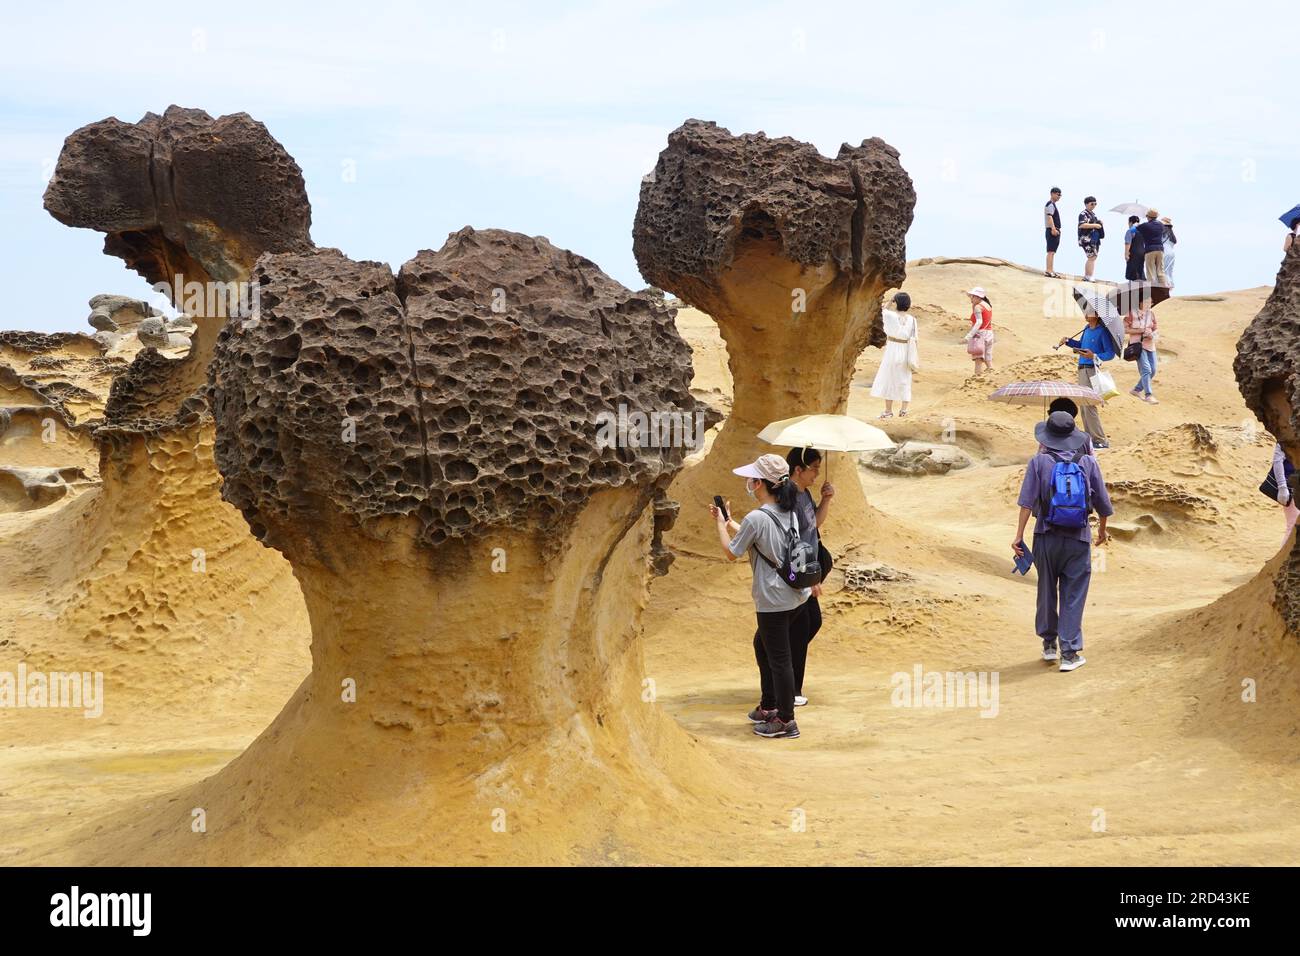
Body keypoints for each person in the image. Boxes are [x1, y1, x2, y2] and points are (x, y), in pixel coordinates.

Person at [711, 453, 809, 739]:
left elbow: (732, 552)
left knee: (779, 659)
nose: (748, 482)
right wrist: (731, 523)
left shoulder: (757, 517)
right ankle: (769, 706)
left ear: (760, 484)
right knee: (763, 645)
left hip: (773, 600)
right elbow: (761, 538)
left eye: (752, 479)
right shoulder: (786, 509)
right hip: (795, 596)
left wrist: (719, 525)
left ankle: (785, 720)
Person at [1013, 411, 1113, 672]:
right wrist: (1101, 532)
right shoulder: (1089, 463)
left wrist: (1018, 536)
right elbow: (1103, 504)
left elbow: (1026, 503)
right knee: (1073, 594)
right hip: (1078, 537)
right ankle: (1069, 653)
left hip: (1045, 537)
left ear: (1047, 436)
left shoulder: (1038, 462)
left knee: (1046, 588)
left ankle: (1048, 645)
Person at [785, 447, 835, 707]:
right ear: (798, 469)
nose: (817, 472)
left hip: (809, 568)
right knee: (802, 626)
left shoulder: (804, 495)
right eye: (814, 467)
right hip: (799, 571)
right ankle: (790, 689)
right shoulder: (789, 497)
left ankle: (784, 676)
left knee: (810, 623)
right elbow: (792, 540)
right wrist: (808, 578)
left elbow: (814, 524)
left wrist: (826, 499)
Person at [1059, 306, 1117, 448]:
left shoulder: (1102, 331)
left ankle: (1100, 440)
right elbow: (1081, 345)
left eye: (1089, 312)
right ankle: (1091, 439)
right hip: (1081, 368)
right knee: (1084, 405)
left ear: (1097, 315)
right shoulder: (1086, 329)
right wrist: (1069, 342)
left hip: (1092, 370)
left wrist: (1094, 356)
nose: (1086, 314)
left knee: (1089, 405)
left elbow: (1110, 353)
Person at [871, 291, 918, 417]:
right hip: (906, 349)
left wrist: (890, 301)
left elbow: (881, 311)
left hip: (892, 349)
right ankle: (904, 410)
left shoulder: (890, 315)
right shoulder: (912, 320)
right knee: (905, 380)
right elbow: (915, 339)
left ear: (896, 302)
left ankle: (888, 411)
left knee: (889, 379)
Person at [1124, 296, 1159, 404]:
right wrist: (1140, 330)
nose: (1151, 303)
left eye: (1151, 301)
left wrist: (1152, 334)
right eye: (1148, 301)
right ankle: (1148, 395)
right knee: (1146, 370)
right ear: (1140, 302)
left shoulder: (1151, 314)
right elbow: (1124, 329)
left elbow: (1156, 328)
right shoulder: (1131, 313)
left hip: (1150, 345)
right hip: (1138, 346)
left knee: (1153, 370)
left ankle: (1136, 390)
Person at [1265, 442, 1298, 547]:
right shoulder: (1287, 435)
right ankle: (1284, 558)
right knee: (1293, 524)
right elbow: (1277, 460)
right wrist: (1282, 487)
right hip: (1290, 487)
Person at [962, 286, 995, 375]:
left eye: (972, 297)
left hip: (980, 334)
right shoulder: (987, 305)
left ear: (977, 297)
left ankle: (977, 377)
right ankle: (991, 374)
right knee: (988, 357)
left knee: (978, 359)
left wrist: (968, 336)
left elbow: (979, 322)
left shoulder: (978, 307)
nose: (971, 299)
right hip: (989, 333)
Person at [1136, 208, 1168, 285]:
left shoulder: (1145, 225)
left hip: (1150, 250)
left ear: (1148, 216)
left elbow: (1136, 228)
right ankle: (1164, 288)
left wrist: (1136, 223)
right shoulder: (1161, 225)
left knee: (1150, 272)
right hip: (1160, 250)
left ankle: (1152, 291)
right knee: (1160, 271)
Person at [1077, 196, 1105, 281]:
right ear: (1086, 204)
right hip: (1086, 238)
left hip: (1093, 238)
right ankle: (1088, 276)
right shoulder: (1083, 214)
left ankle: (1088, 275)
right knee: (1091, 257)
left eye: (1095, 204)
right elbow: (1082, 225)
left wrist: (1099, 223)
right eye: (1092, 204)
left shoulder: (1093, 214)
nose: (1094, 205)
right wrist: (1095, 225)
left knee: (1093, 256)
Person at [1045, 187, 1063, 277]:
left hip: (1054, 229)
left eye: (1060, 195)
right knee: (1050, 251)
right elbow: (1049, 216)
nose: (1059, 196)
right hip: (1052, 229)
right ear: (1052, 194)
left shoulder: (1053, 204)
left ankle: (1051, 270)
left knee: (1052, 252)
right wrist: (1053, 228)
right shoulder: (1050, 204)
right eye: (1058, 194)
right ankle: (1048, 270)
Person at [1123, 215, 1146, 281]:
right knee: (1140, 270)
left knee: (1132, 273)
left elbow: (1128, 243)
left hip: (1133, 252)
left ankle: (1133, 288)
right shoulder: (1143, 231)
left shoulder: (1130, 230)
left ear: (1130, 222)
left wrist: (1126, 254)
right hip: (1142, 252)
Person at [1160, 216, 1177, 286]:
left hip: (1164, 252)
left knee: (1162, 270)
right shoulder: (1172, 235)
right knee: (1169, 271)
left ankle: (1164, 286)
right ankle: (1170, 285)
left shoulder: (1162, 233)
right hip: (1172, 254)